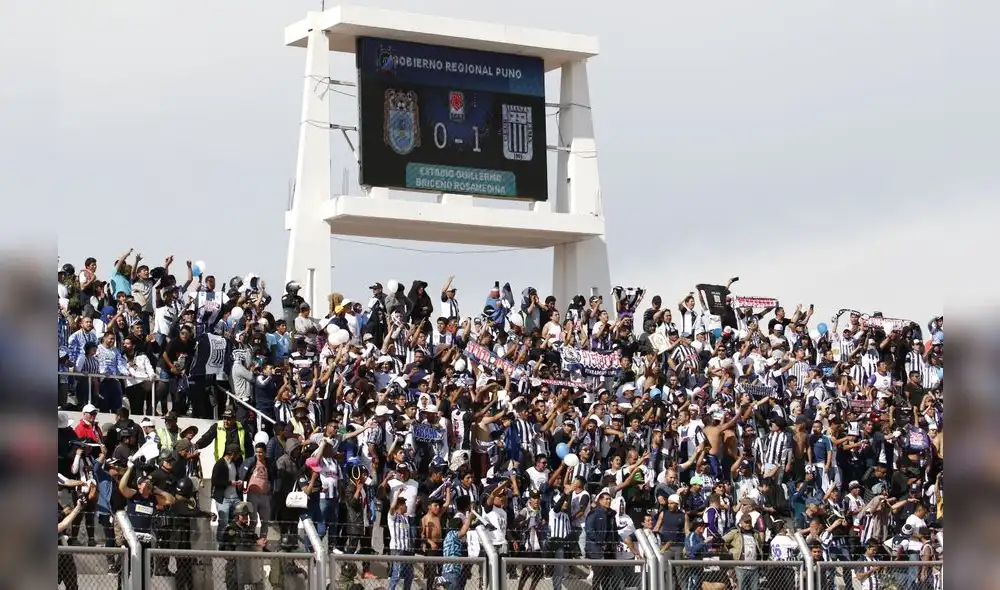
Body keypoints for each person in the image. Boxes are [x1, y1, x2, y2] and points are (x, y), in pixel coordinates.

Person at [162, 477, 214, 590]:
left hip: (182, 540)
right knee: (182, 568)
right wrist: (205, 513)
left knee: (187, 568)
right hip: (180, 541)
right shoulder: (179, 504)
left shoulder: (180, 503)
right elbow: (193, 512)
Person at [219, 501, 268, 590]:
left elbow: (255, 540)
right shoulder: (230, 529)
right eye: (244, 515)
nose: (246, 517)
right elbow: (237, 541)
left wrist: (268, 550)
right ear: (237, 515)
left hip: (248, 567)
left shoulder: (248, 529)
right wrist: (255, 543)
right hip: (234, 567)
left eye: (247, 515)